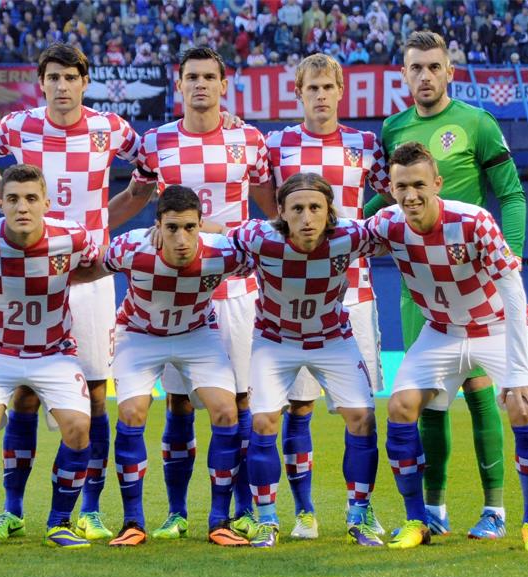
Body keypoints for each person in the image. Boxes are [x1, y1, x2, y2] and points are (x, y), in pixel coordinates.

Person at [108, 45, 277, 542]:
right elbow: (137, 197)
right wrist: (85, 231)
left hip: (236, 286)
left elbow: (269, 206)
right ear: (178, 84)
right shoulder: (156, 141)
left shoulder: (250, 139)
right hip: (176, 288)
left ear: (225, 85)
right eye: (191, 77)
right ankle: (177, 513)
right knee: (179, 404)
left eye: (210, 77)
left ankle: (239, 509)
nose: (201, 84)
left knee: (240, 402)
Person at [365, 31, 528, 540]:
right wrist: (341, 227)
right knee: (428, 396)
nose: (425, 76)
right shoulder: (393, 129)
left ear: (450, 71)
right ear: (404, 74)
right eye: (415, 68)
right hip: (419, 286)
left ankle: (494, 510)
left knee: (481, 391)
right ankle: (433, 508)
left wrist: (514, 258)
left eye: (434, 66)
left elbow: (513, 194)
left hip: (476, 280)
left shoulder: (477, 123)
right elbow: (379, 201)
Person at [0, 43, 140, 542]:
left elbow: (148, 175)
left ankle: (89, 507)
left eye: (71, 77)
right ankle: (11, 508)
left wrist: (105, 222)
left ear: (84, 81)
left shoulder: (111, 128)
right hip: (30, 273)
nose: (62, 85)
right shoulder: (16, 127)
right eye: (53, 77)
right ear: (41, 81)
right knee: (26, 393)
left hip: (89, 274)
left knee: (96, 392)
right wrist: (5, 207)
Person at [368, 142, 528, 553]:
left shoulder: (474, 221)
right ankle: (418, 519)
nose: (410, 195)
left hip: (496, 327)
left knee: (522, 406)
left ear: (438, 183)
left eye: (419, 184)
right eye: (401, 187)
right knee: (399, 407)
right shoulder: (386, 224)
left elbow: (512, 289)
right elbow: (345, 240)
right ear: (392, 189)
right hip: (442, 331)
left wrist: (520, 369)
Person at [80, 186, 254, 547]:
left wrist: (218, 231)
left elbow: (267, 249)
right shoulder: (130, 247)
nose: (181, 237)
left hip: (197, 334)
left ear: (200, 226)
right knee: (131, 413)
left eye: (190, 227)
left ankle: (220, 520)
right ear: (157, 225)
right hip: (139, 335)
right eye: (172, 228)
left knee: (226, 412)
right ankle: (134, 522)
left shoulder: (222, 253)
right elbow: (88, 271)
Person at [265, 53, 390, 543]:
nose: (320, 95)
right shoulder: (277, 145)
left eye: (327, 87)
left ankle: (360, 509)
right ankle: (304, 512)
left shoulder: (365, 145)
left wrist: (360, 227)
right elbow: (261, 199)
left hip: (352, 294)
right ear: (298, 93)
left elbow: (393, 192)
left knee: (360, 410)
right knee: (298, 408)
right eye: (311, 88)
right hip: (291, 297)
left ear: (342, 91)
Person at [0, 164, 98, 550]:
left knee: (79, 427)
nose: (22, 207)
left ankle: (60, 522)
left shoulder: (72, 236)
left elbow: (96, 266)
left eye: (31, 198)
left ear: (47, 202)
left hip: (54, 352)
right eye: (12, 199)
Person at [228, 173, 384, 548]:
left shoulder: (350, 235)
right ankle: (267, 519)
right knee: (264, 420)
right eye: (297, 208)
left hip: (332, 338)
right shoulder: (259, 237)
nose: (307, 217)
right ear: (281, 211)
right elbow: (219, 234)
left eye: (316, 207)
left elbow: (393, 230)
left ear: (329, 210)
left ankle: (359, 513)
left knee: (362, 417)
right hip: (274, 341)